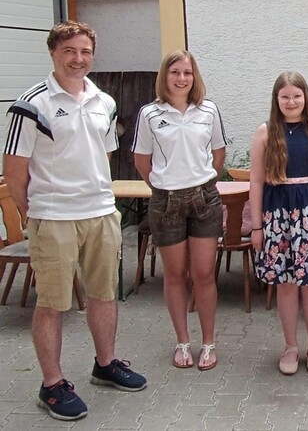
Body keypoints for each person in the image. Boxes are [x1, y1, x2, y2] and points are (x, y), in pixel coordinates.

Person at [3, 21, 146, 421]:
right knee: (52, 303)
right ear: (53, 53)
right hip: (54, 218)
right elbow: (14, 172)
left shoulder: (104, 101)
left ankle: (106, 363)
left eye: (85, 51)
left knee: (103, 294)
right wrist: (35, 216)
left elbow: (102, 158)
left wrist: (103, 201)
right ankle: (51, 384)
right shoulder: (32, 104)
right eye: (69, 51)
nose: (78, 58)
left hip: (100, 213)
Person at [132, 50, 227, 371]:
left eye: (187, 73)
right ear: (165, 76)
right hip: (166, 201)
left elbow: (218, 152)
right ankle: (183, 342)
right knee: (175, 275)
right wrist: (165, 182)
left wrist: (199, 181)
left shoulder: (209, 110)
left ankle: (209, 343)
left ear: (194, 76)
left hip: (205, 200)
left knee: (203, 274)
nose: (181, 78)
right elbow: (142, 161)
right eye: (175, 72)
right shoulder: (149, 114)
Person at [250, 71, 308, 375]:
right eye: (285, 97)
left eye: (297, 96)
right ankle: (290, 346)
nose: (291, 102)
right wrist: (257, 226)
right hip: (277, 216)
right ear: (277, 100)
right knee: (286, 285)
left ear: (306, 97)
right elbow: (256, 182)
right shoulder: (265, 133)